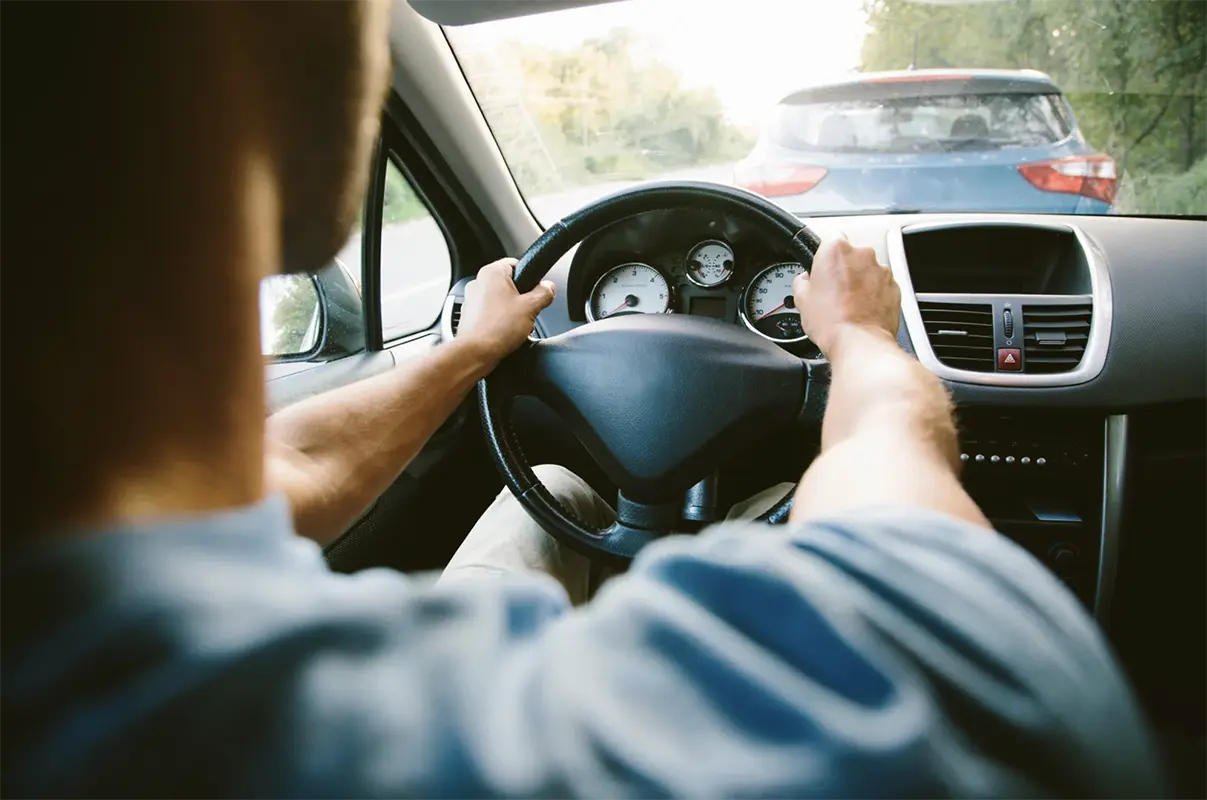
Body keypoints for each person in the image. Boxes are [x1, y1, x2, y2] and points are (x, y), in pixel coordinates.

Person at [1, 1, 1166, 797]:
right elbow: (906, 501)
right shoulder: (869, 712)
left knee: (556, 487)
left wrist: (472, 351)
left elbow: (291, 468)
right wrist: (858, 339)